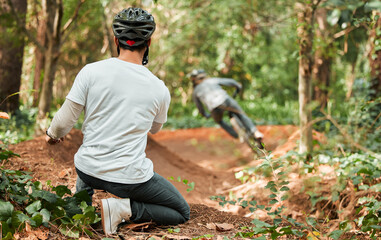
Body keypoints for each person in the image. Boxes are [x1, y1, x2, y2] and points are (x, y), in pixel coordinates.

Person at [45, 7, 190, 236]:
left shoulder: (91, 71)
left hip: (88, 171)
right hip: (129, 180)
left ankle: (81, 207)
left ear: (116, 40)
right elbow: (155, 128)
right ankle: (122, 208)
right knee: (182, 211)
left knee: (86, 166)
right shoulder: (159, 89)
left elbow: (63, 122)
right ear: (148, 43)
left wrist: (52, 135)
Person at [190, 69, 264, 147]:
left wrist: (206, 115)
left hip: (214, 108)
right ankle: (255, 132)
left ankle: (237, 136)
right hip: (225, 100)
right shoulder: (212, 80)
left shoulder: (195, 92)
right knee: (241, 114)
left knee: (219, 122)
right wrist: (238, 87)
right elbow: (231, 82)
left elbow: (200, 108)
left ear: (194, 80)